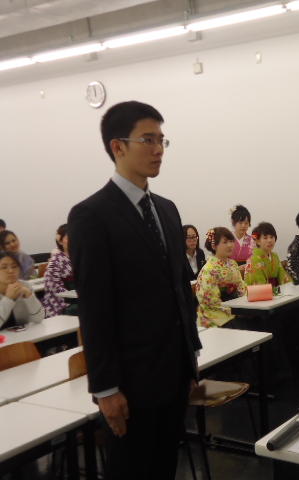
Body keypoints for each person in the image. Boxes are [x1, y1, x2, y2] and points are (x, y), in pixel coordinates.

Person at [68, 101, 201, 480]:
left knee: (164, 467)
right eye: (148, 140)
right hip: (130, 381)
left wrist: (190, 355)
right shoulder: (91, 215)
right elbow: (94, 308)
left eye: (162, 140)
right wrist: (105, 388)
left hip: (174, 371)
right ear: (118, 146)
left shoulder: (167, 210)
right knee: (132, 470)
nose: (158, 149)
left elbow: (180, 288)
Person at [195, 227, 246, 328]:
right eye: (225, 242)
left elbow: (241, 288)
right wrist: (235, 309)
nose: (230, 245)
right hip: (214, 317)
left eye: (231, 241)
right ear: (214, 246)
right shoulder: (209, 269)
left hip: (235, 310)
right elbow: (209, 301)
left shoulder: (232, 264)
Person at [0, 250, 44, 329]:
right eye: (4, 267)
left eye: (14, 266)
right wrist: (8, 299)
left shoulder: (25, 286)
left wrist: (29, 297)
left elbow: (39, 318)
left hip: (25, 335)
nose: (10, 271)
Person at [42, 224, 75, 317]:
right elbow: (53, 286)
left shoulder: (79, 257)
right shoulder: (55, 261)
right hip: (63, 302)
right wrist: (73, 295)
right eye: (69, 238)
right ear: (60, 241)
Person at [244, 222, 291, 287]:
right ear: (258, 241)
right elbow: (260, 285)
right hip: (260, 291)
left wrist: (289, 286)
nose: (269, 240)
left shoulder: (274, 256)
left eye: (271, 237)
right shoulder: (254, 259)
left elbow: (282, 276)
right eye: (265, 238)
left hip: (275, 290)